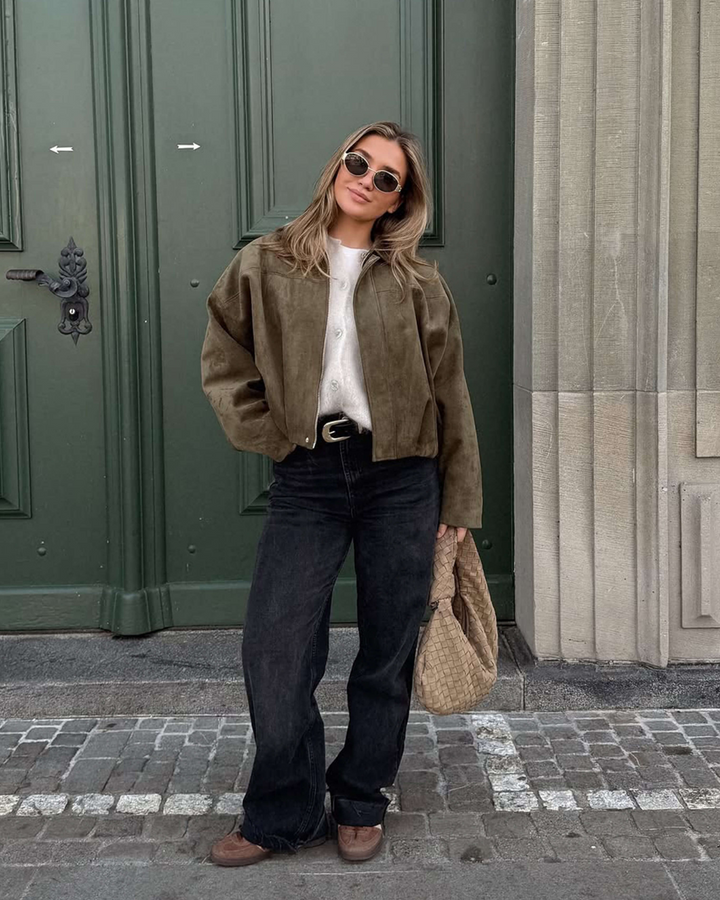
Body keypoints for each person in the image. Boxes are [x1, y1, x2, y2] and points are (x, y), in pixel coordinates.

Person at [200, 120, 483, 866]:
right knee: (278, 649)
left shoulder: (420, 283)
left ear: (398, 201)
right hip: (309, 476)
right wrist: (272, 433)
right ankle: (281, 812)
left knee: (387, 651)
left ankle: (361, 798)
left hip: (402, 478)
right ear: (339, 166)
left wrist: (459, 506)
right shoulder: (263, 265)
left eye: (386, 177)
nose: (366, 178)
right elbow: (225, 360)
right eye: (360, 162)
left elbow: (451, 394)